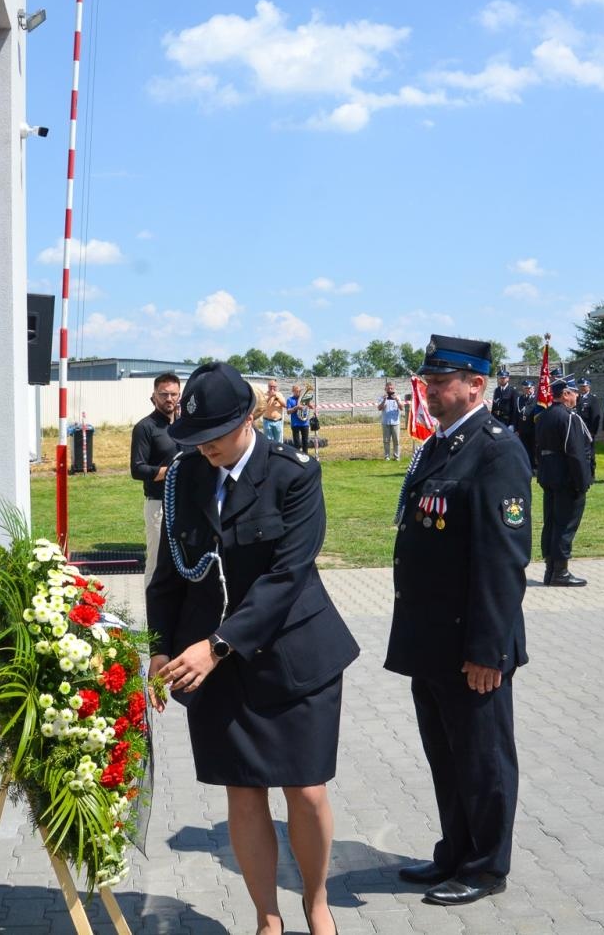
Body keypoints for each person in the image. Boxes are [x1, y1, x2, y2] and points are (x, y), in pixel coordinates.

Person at [147, 362, 359, 935]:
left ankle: (316, 904)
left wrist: (217, 646)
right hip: (213, 667)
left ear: (248, 418)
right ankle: (268, 918)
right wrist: (161, 646)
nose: (205, 446)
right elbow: (169, 571)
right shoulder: (185, 475)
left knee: (306, 791)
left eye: (214, 434)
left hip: (291, 658)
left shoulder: (294, 474)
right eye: (195, 436)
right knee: (243, 793)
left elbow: (287, 577)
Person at [386, 335, 530, 907]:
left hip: (471, 644)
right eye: (428, 381)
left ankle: (486, 865)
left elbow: (502, 560)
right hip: (432, 640)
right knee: (446, 756)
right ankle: (455, 850)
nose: (431, 390)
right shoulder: (440, 446)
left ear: (476, 385)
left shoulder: (496, 450)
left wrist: (488, 650)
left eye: (442, 381)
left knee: (482, 758)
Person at [535, 377, 593, 586]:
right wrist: (583, 481)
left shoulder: (543, 416)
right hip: (567, 479)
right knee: (565, 524)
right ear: (566, 394)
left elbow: (537, 449)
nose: (577, 396)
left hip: (549, 476)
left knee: (551, 522)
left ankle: (550, 570)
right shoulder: (568, 417)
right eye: (574, 392)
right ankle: (560, 572)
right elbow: (575, 452)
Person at [131, 372, 181, 579]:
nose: (169, 399)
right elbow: (137, 469)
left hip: (186, 503)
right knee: (157, 563)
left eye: (173, 394)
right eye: (163, 394)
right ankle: (152, 601)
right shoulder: (145, 427)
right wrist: (173, 471)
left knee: (184, 561)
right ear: (154, 396)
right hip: (158, 505)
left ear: (179, 396)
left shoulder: (185, 427)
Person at [575, 377, 601, 482]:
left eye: (584, 386)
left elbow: (595, 416)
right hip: (578, 430)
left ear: (589, 387)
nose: (582, 388)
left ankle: (591, 474)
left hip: (588, 431)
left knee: (589, 453)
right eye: (580, 386)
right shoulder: (577, 398)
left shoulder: (592, 399)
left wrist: (593, 431)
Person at [515, 378, 539, 465]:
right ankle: (527, 465)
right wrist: (516, 428)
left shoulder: (536, 399)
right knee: (524, 448)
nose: (527, 390)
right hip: (522, 428)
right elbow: (516, 415)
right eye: (525, 388)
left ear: (533, 388)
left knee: (533, 448)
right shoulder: (520, 399)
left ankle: (533, 466)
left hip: (533, 428)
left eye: (529, 388)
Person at [378, 381, 403, 461]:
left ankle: (397, 457)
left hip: (396, 422)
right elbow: (379, 408)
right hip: (385, 422)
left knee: (397, 441)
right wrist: (384, 400)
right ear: (385, 389)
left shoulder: (398, 397)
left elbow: (402, 408)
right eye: (388, 388)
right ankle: (387, 457)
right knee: (386, 441)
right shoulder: (382, 397)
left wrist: (397, 400)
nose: (390, 390)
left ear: (394, 389)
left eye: (391, 388)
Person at [287, 382, 312, 454]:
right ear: (293, 391)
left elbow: (312, 407)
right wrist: (296, 407)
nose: (298, 392)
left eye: (299, 391)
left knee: (305, 442)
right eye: (296, 391)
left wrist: (308, 404)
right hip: (295, 424)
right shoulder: (290, 399)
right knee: (297, 443)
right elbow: (288, 412)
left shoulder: (304, 399)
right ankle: (297, 458)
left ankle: (306, 457)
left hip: (305, 423)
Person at [261, 379, 286, 443]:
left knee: (278, 441)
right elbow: (263, 405)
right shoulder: (264, 395)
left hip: (278, 422)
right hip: (267, 421)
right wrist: (270, 396)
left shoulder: (279, 394)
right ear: (268, 387)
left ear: (276, 387)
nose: (272, 388)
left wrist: (276, 397)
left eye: (274, 386)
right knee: (269, 441)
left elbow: (285, 405)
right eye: (270, 386)